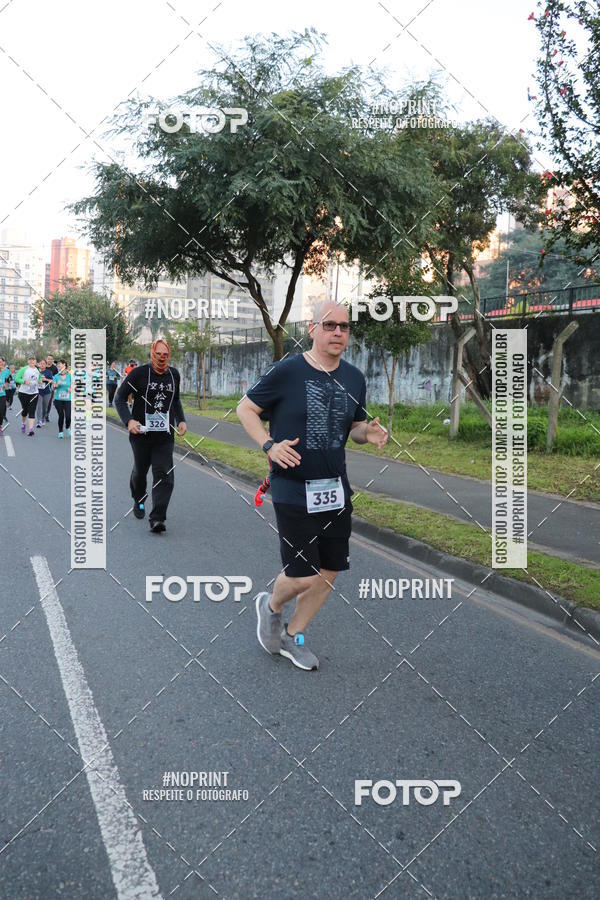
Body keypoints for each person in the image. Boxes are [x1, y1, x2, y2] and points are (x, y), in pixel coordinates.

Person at [237, 301, 388, 671]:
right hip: (292, 487)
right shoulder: (287, 371)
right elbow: (246, 408)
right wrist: (269, 445)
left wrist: (366, 432)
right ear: (312, 328)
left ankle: (293, 635)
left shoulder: (354, 378)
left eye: (345, 327)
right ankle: (270, 605)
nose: (338, 332)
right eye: (330, 325)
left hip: (335, 489)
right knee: (303, 572)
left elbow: (353, 428)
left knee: (330, 570)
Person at [114, 339, 187, 533]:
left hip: (164, 436)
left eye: (165, 355)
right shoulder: (139, 374)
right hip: (141, 435)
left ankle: (157, 518)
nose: (162, 358)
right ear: (152, 353)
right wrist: (129, 421)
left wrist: (181, 420)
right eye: (158, 354)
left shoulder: (174, 375)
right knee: (140, 472)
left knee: (164, 475)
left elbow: (176, 400)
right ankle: (138, 498)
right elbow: (119, 398)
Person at [16, 355, 42, 435]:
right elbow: (17, 378)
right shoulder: (24, 369)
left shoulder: (38, 369)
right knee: (25, 411)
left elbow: (39, 378)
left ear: (35, 361)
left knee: (32, 410)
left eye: (33, 360)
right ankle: (23, 423)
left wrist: (40, 381)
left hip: (34, 393)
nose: (31, 361)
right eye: (30, 360)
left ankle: (31, 429)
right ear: (28, 361)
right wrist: (24, 381)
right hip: (23, 393)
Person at [52, 359, 71, 438]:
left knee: (68, 416)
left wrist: (71, 389)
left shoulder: (70, 376)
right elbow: (53, 388)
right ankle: (60, 432)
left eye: (60, 364)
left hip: (67, 399)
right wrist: (56, 385)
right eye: (58, 364)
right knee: (61, 415)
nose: (58, 365)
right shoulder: (56, 376)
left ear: (64, 365)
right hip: (58, 399)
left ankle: (67, 427)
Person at [35, 358, 53, 427]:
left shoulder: (49, 372)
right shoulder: (36, 371)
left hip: (47, 391)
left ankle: (43, 418)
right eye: (41, 363)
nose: (42, 365)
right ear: (39, 364)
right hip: (38, 391)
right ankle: (39, 420)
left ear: (46, 365)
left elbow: (51, 381)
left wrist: (45, 379)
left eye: (44, 364)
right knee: (39, 406)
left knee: (45, 407)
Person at [45, 354, 58, 422]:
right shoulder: (43, 366)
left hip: (51, 387)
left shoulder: (55, 368)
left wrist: (55, 387)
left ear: (52, 360)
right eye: (48, 358)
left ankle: (47, 414)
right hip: (42, 386)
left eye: (51, 359)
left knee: (49, 401)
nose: (49, 360)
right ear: (46, 359)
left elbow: (56, 377)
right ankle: (43, 414)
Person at [0, 356, 10, 432]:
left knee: (1, 410)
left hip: (2, 394)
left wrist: (5, 385)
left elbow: (7, 382)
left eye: (1, 362)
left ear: (3, 363)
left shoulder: (7, 371)